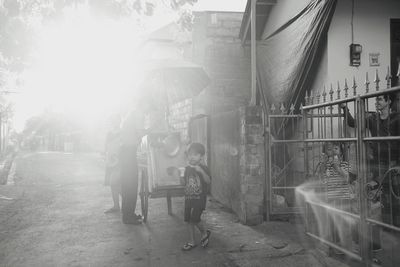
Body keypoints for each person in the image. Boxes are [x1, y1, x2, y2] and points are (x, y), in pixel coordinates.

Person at [341, 93, 400, 251]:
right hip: (377, 164)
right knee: (376, 198)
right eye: (376, 99)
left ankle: (393, 229)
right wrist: (345, 108)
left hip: (393, 163)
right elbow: (353, 123)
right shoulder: (372, 119)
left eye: (380, 99)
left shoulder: (397, 119)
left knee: (395, 196)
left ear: (388, 102)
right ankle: (378, 237)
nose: (377, 102)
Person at [318, 142, 352, 252]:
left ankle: (345, 246)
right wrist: (323, 164)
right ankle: (334, 245)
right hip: (331, 197)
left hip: (342, 198)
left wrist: (336, 165)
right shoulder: (326, 164)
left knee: (343, 222)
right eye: (329, 149)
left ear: (341, 152)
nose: (332, 151)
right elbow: (321, 177)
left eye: (336, 149)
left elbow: (347, 179)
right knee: (332, 222)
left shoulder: (344, 164)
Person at [181, 142, 211, 251]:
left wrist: (201, 171)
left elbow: (208, 181)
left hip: (199, 200)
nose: (191, 157)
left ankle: (204, 233)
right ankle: (192, 241)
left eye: (195, 154)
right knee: (189, 220)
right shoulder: (187, 169)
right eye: (189, 154)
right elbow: (184, 183)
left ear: (201, 157)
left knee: (195, 219)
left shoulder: (203, 168)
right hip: (189, 199)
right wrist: (180, 176)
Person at [119, 108, 148, 224]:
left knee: (128, 186)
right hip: (127, 153)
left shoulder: (129, 118)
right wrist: (153, 128)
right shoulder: (135, 116)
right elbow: (141, 132)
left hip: (126, 153)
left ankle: (128, 214)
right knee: (130, 186)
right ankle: (127, 217)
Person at [104, 114, 122, 213]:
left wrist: (118, 157)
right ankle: (116, 205)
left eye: (116, 120)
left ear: (119, 121)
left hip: (119, 160)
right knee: (112, 184)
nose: (115, 122)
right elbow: (106, 147)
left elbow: (123, 147)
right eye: (113, 120)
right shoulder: (109, 134)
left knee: (115, 182)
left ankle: (127, 201)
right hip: (110, 161)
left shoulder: (122, 132)